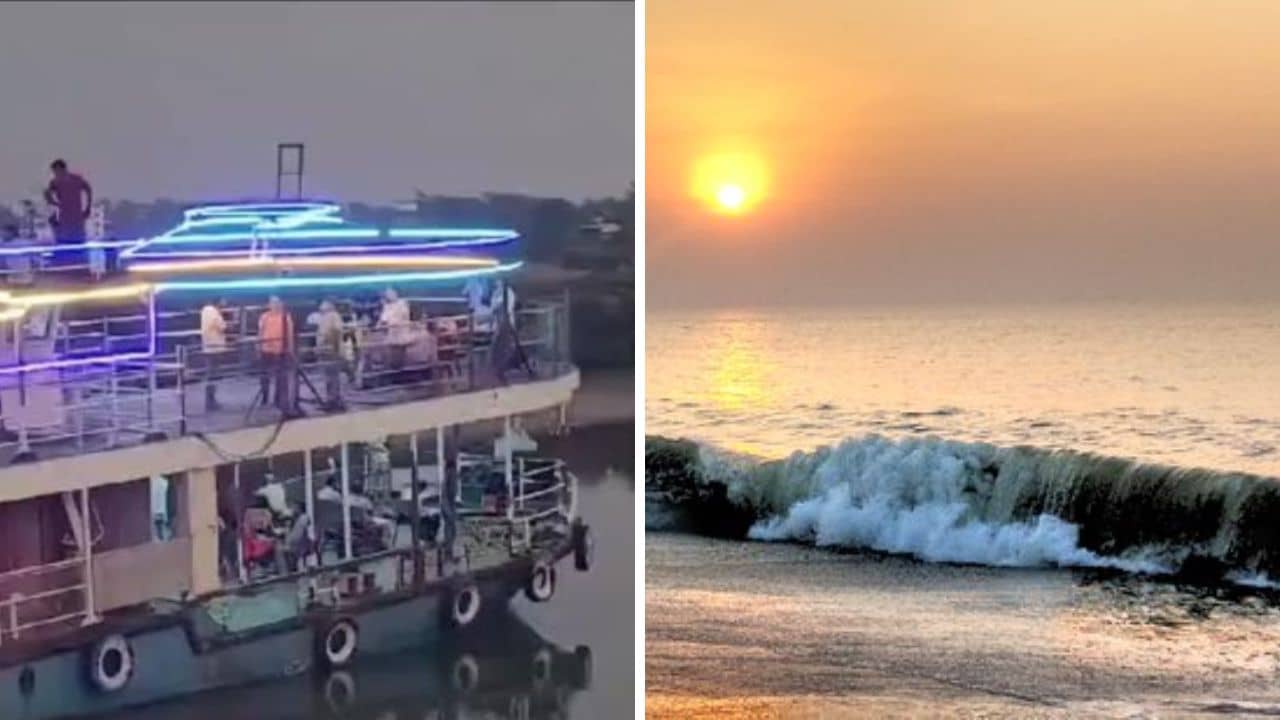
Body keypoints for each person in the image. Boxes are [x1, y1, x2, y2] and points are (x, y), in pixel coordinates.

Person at [257, 295, 298, 416]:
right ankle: (264, 397)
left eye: (276, 303)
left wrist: (290, 350)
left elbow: (290, 334)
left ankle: (278, 399)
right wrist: (258, 346)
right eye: (272, 303)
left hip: (280, 351)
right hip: (266, 350)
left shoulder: (286, 317)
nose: (274, 305)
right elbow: (260, 332)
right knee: (264, 376)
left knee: (281, 377)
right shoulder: (264, 317)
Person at [43, 159, 92, 246]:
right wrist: (88, 207)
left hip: (71, 220)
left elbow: (47, 195)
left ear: (60, 169)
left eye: (55, 171)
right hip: (70, 219)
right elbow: (88, 190)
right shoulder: (75, 179)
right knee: (74, 242)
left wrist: (54, 203)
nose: (55, 173)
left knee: (68, 243)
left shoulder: (57, 182)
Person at [313, 299, 346, 410]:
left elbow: (336, 331)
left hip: (331, 351)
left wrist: (332, 346)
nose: (321, 306)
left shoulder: (334, 316)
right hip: (325, 351)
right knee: (329, 378)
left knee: (333, 377)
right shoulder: (324, 318)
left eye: (323, 304)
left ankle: (335, 400)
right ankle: (331, 400)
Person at [199, 298, 229, 411]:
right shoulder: (214, 313)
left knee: (210, 374)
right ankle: (211, 401)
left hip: (207, 346)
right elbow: (222, 327)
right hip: (215, 347)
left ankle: (210, 400)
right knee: (213, 375)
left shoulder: (205, 311)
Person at [378, 287, 413, 376]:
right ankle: (395, 376)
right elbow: (383, 319)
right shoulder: (387, 306)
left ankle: (401, 376)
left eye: (391, 293)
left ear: (396, 293)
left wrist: (388, 322)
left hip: (402, 334)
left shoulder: (402, 303)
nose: (389, 296)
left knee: (401, 357)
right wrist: (380, 325)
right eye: (387, 294)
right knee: (393, 359)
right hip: (392, 336)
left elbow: (402, 317)